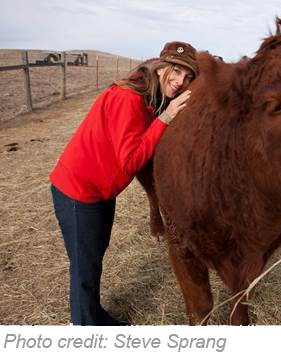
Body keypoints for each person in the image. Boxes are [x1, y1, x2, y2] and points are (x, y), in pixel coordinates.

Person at [50, 41, 199, 326]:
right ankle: (86, 330)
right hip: (79, 193)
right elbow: (130, 160)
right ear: (161, 68)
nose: (181, 81)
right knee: (85, 270)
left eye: (188, 76)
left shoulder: (147, 98)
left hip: (99, 192)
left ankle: (94, 317)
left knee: (93, 261)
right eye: (176, 71)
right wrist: (166, 118)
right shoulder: (128, 99)